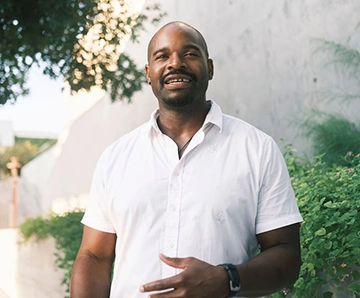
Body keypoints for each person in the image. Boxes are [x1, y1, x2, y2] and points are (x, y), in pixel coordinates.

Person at [70, 21, 303, 298]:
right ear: (148, 73)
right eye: (162, 56)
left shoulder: (257, 149)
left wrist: (226, 278)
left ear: (210, 68)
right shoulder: (115, 157)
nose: (175, 63)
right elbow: (94, 256)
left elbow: (286, 254)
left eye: (190, 54)